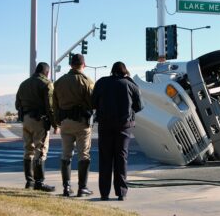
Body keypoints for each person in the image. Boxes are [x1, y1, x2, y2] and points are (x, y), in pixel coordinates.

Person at [92, 61, 143, 201]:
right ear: (125, 72)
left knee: (105, 159)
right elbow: (139, 105)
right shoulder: (130, 84)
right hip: (124, 126)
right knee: (121, 158)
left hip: (105, 125)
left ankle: (104, 193)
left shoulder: (102, 83)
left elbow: (93, 102)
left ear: (112, 71)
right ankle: (121, 192)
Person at [53, 54, 94, 197]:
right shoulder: (86, 81)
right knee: (83, 155)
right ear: (84, 64)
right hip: (81, 123)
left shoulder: (59, 82)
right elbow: (92, 102)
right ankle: (82, 188)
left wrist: (57, 121)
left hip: (65, 122)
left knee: (66, 155)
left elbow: (55, 104)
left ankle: (66, 187)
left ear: (71, 65)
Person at [15, 62, 57, 192]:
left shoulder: (24, 83)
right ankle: (39, 182)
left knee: (28, 150)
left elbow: (17, 104)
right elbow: (50, 107)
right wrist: (55, 124)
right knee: (41, 150)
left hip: (26, 119)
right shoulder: (46, 84)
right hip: (40, 120)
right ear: (47, 72)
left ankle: (29, 181)